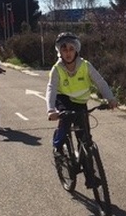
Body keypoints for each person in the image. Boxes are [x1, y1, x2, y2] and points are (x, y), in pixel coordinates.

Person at [46, 32, 117, 173]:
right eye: (64, 49)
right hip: (63, 99)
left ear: (76, 50)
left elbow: (100, 82)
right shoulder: (57, 68)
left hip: (80, 102)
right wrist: (51, 110)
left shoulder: (85, 65)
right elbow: (51, 88)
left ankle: (90, 176)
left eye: (71, 49)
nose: (68, 53)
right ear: (59, 51)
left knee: (85, 139)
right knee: (65, 122)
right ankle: (58, 148)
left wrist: (110, 98)